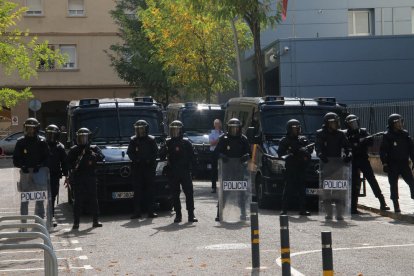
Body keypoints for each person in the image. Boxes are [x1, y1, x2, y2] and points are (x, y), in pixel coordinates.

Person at [344, 114, 389, 214]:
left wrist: (365, 140)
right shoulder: (345, 134)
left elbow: (371, 142)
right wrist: (353, 144)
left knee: (372, 180)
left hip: (363, 160)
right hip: (353, 161)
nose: (354, 125)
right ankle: (353, 206)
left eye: (355, 122)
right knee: (354, 183)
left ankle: (382, 202)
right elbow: (344, 146)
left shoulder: (363, 132)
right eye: (351, 123)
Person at [315, 112, 352, 220]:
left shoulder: (341, 134)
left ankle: (340, 213)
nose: (335, 124)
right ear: (327, 123)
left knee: (339, 190)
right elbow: (318, 147)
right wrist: (321, 154)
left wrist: (348, 154)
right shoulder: (320, 133)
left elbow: (347, 147)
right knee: (327, 190)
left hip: (338, 165)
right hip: (326, 164)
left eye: (336, 122)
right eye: (332, 123)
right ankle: (328, 213)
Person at [66, 128, 105, 230]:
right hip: (79, 177)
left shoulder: (93, 148)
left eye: (84, 137)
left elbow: (102, 157)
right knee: (78, 201)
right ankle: (76, 222)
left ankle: (95, 221)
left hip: (90, 177)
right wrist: (73, 167)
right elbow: (68, 163)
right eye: (80, 137)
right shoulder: (74, 150)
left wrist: (92, 154)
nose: (82, 140)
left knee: (94, 200)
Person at [214, 118, 251, 221]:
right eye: (232, 128)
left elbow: (249, 153)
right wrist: (222, 155)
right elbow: (216, 152)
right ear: (228, 128)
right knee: (224, 192)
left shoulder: (243, 139)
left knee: (241, 192)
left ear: (239, 128)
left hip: (239, 170)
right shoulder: (224, 138)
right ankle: (219, 213)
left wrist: (246, 156)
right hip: (227, 170)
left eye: (236, 128)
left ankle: (243, 213)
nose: (234, 130)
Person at [13, 118, 49, 221]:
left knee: (40, 199)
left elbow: (47, 157)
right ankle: (24, 222)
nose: (30, 131)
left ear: (36, 129)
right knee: (25, 199)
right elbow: (15, 158)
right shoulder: (21, 142)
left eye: (32, 128)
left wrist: (40, 165)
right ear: (25, 128)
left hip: (39, 173)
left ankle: (40, 221)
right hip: (25, 174)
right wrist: (22, 166)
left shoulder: (42, 141)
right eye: (28, 128)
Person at [277, 119, 313, 216]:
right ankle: (284, 210)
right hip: (290, 168)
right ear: (289, 129)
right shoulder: (284, 140)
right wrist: (291, 152)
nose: (297, 130)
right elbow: (280, 154)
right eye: (294, 129)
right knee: (288, 190)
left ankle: (303, 209)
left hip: (301, 168)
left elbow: (309, 152)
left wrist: (305, 151)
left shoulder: (303, 139)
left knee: (302, 190)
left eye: (298, 128)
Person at [380, 114, 414, 213]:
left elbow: (411, 149)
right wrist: (384, 163)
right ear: (393, 124)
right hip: (392, 164)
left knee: (411, 183)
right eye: (398, 122)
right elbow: (383, 151)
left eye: (401, 121)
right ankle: (396, 205)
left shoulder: (405, 134)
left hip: (404, 164)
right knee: (393, 184)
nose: (400, 124)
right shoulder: (387, 135)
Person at [165, 120, 198, 223]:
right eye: (173, 130)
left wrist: (195, 171)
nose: (175, 132)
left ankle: (191, 215)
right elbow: (161, 156)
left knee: (189, 193)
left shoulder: (186, 142)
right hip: (173, 172)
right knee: (175, 194)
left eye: (177, 130)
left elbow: (193, 157)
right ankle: (178, 215)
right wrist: (163, 149)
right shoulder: (168, 142)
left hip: (185, 171)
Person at [127, 120, 158, 219]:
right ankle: (137, 212)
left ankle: (151, 212)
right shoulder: (133, 140)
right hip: (138, 169)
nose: (140, 131)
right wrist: (136, 160)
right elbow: (130, 153)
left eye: (142, 129)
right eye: (138, 129)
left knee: (150, 191)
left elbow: (155, 152)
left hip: (149, 169)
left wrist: (150, 160)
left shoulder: (151, 140)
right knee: (137, 192)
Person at [45, 124, 68, 225]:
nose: (51, 137)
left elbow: (64, 162)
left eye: (53, 135)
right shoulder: (42, 145)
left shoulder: (60, 147)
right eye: (49, 135)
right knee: (41, 197)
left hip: (54, 175)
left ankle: (51, 217)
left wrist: (66, 174)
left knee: (52, 196)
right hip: (42, 175)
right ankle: (40, 218)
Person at [208, 119, 223, 193]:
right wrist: (219, 139)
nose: (218, 125)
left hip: (221, 153)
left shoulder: (223, 133)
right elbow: (211, 143)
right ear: (214, 125)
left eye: (219, 124)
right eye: (216, 124)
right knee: (214, 170)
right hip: (214, 152)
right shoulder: (212, 134)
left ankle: (223, 186)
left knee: (222, 169)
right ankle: (213, 187)